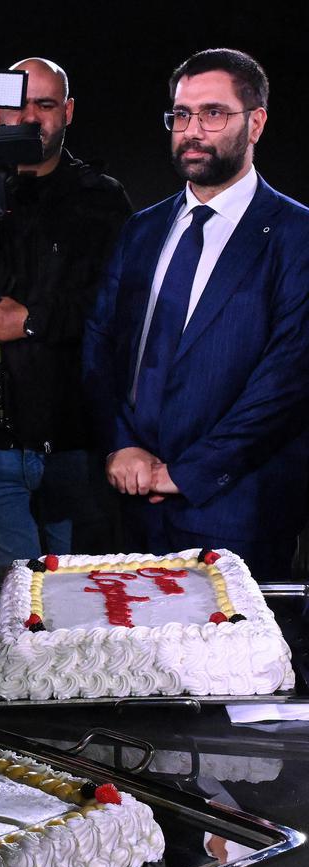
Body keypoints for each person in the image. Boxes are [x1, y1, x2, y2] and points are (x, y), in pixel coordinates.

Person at [83, 48, 309, 581]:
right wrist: (122, 444)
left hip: (237, 513)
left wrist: (185, 473)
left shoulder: (296, 236)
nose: (192, 130)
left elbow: (288, 381)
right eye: (180, 115)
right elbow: (99, 344)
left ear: (256, 123)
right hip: (134, 504)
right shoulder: (142, 228)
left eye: (212, 113)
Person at [0, 58, 132, 576]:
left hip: (73, 442)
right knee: (5, 602)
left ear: (69, 111)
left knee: (77, 601)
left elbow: (121, 311)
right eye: (16, 104)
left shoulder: (102, 200)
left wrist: (33, 320)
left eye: (45, 104)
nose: (29, 117)